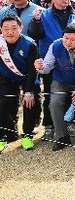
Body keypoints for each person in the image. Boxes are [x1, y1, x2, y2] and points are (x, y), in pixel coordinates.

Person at [27, 0, 75, 140]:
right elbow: (34, 34)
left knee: (71, 94)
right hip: (51, 62)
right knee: (50, 95)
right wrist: (36, 21)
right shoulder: (43, 14)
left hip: (73, 61)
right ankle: (49, 126)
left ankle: (69, 122)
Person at [34, 23, 75, 150]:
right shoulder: (55, 45)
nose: (68, 42)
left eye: (73, 39)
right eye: (66, 38)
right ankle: (61, 137)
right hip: (60, 80)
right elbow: (47, 68)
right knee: (54, 103)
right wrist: (40, 67)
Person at [0, 15, 39, 151]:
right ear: (1, 30)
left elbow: (32, 70)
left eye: (14, 28)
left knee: (30, 101)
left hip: (27, 77)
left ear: (20, 28)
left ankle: (27, 135)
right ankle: (4, 135)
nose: (10, 32)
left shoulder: (30, 44)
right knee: (3, 103)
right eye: (6, 29)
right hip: (6, 77)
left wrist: (28, 92)